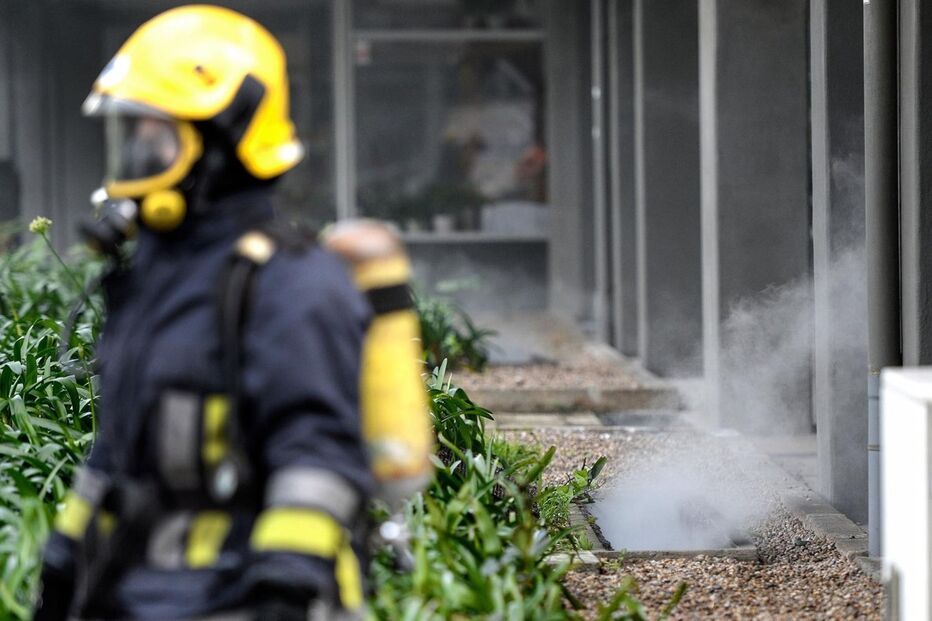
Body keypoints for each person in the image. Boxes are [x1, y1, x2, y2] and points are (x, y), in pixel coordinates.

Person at [34, 6, 375, 620]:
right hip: (140, 597)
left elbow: (317, 458)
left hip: (242, 598)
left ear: (220, 142)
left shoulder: (293, 285)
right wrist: (64, 561)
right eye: (128, 135)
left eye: (153, 136)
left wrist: (284, 589)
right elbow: (114, 457)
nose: (135, 157)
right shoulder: (150, 279)